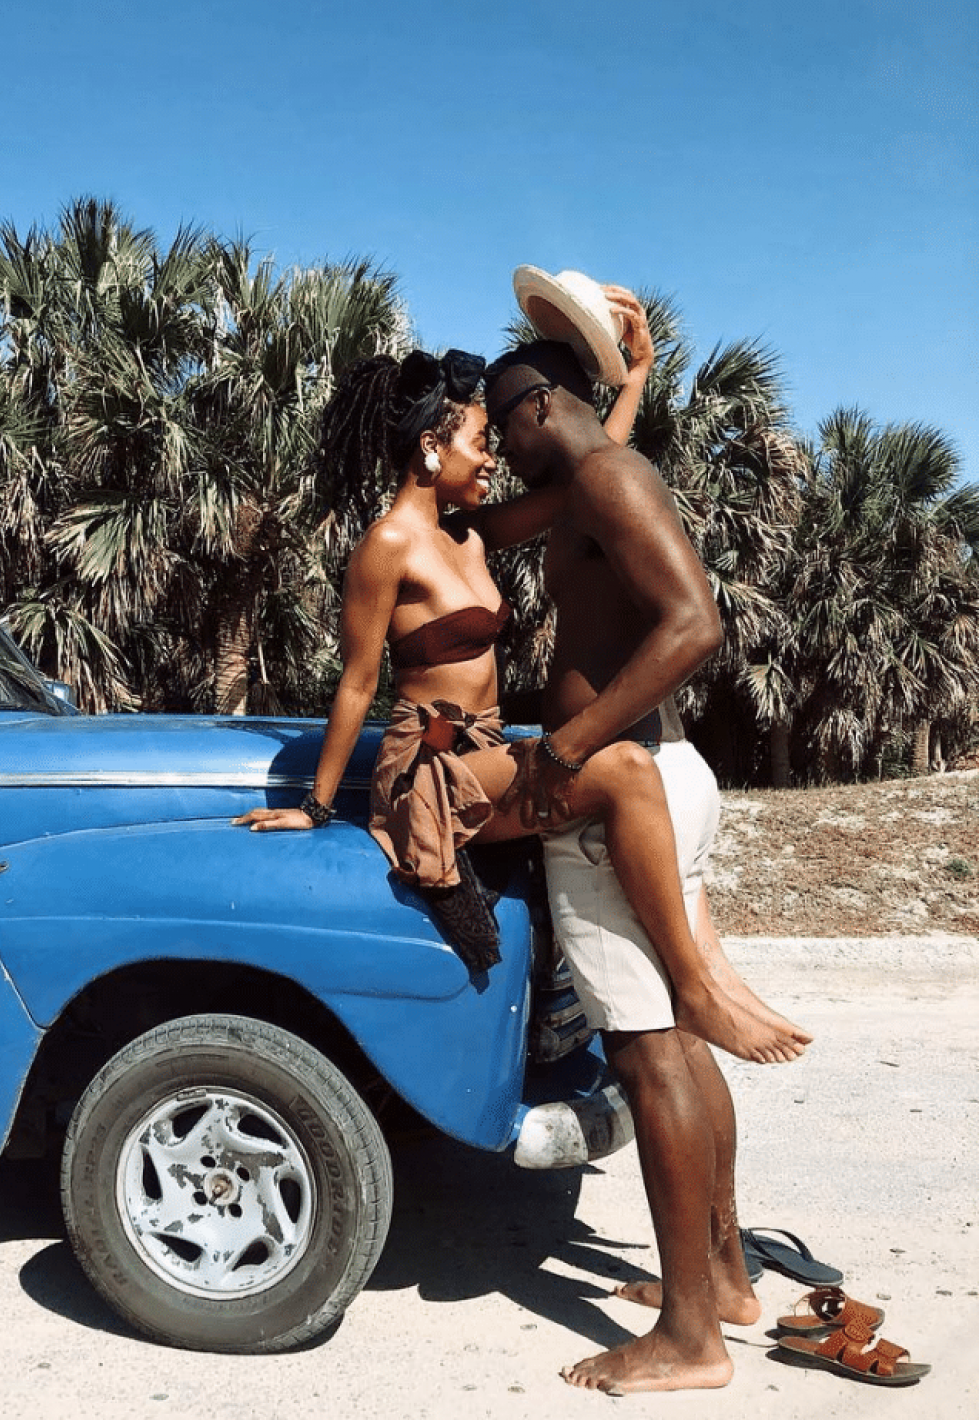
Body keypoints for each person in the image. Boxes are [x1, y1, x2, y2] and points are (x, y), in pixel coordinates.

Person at [233, 290, 808, 1067]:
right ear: (432, 447)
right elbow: (357, 683)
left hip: (485, 751)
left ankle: (710, 982)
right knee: (624, 769)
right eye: (479, 441)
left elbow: (589, 474)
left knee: (614, 770)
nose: (493, 457)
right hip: (429, 770)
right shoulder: (387, 546)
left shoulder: (470, 535)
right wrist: (316, 806)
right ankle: (694, 983)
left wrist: (636, 378)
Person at [479, 334, 779, 1393]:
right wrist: (635, 380)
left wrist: (564, 748)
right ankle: (723, 1281)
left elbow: (693, 624)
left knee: (649, 1055)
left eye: (499, 426)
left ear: (535, 407)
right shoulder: (594, 475)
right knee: (680, 1043)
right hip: (656, 775)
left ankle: (689, 1339)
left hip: (620, 791)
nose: (497, 452)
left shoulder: (602, 478)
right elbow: (586, 458)